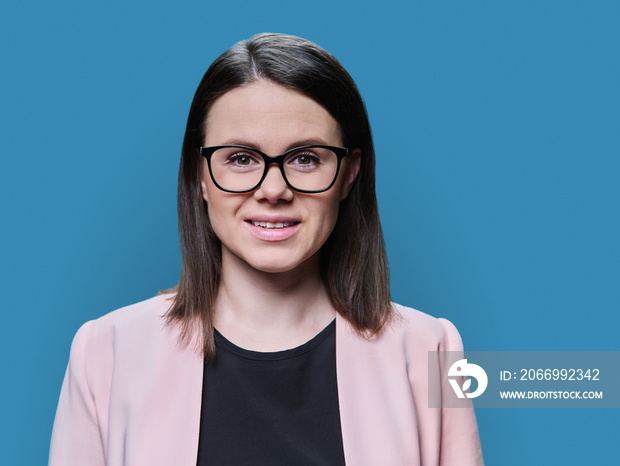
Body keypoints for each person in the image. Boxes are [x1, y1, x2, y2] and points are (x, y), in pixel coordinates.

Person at [49, 33, 483, 465]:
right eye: (240, 158)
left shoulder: (434, 352)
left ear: (350, 173)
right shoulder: (104, 355)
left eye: (306, 158)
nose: (273, 190)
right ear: (198, 175)